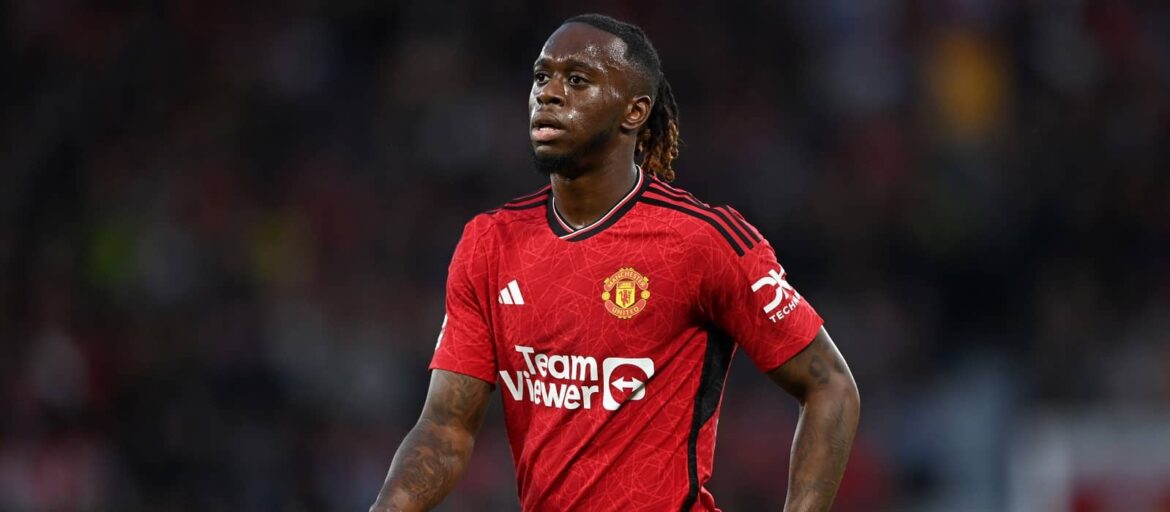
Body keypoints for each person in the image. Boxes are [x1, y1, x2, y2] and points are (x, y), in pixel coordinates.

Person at [370, 13, 860, 512]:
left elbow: (830, 387)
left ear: (634, 112)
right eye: (542, 76)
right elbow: (445, 428)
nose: (549, 94)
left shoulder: (702, 241)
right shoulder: (490, 243)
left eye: (577, 80)